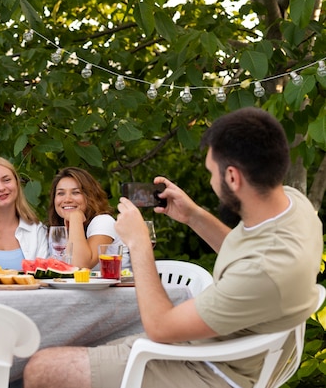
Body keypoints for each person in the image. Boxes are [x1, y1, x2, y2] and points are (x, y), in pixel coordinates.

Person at [23, 107, 323, 388]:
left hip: (213, 370)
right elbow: (241, 247)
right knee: (77, 350)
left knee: (40, 367)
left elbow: (160, 327)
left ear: (232, 177)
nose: (211, 182)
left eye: (211, 173)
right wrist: (193, 216)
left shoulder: (263, 273)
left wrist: (138, 243)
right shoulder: (294, 206)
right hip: (207, 348)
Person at [0, 155, 49, 270]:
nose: (1, 188)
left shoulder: (36, 231)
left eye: (6, 180)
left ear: (17, 183)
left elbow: (45, 279)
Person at [48, 167, 124, 269]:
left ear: (90, 196)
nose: (67, 199)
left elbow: (79, 266)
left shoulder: (103, 221)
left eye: (76, 192)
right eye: (61, 193)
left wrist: (76, 217)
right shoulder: (58, 231)